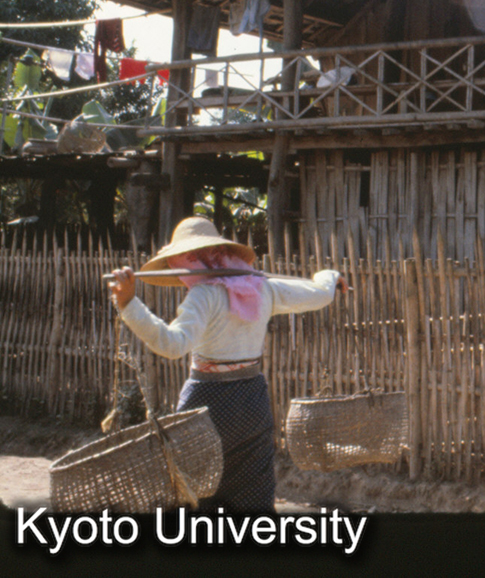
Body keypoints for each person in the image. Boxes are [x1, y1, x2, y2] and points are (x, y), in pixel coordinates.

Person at [107, 216, 347, 513]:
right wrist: (330, 276)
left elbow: (172, 345)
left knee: (196, 490)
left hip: (207, 404)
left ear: (190, 260)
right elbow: (319, 295)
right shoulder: (262, 288)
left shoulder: (204, 295)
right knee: (253, 490)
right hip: (252, 404)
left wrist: (129, 304)